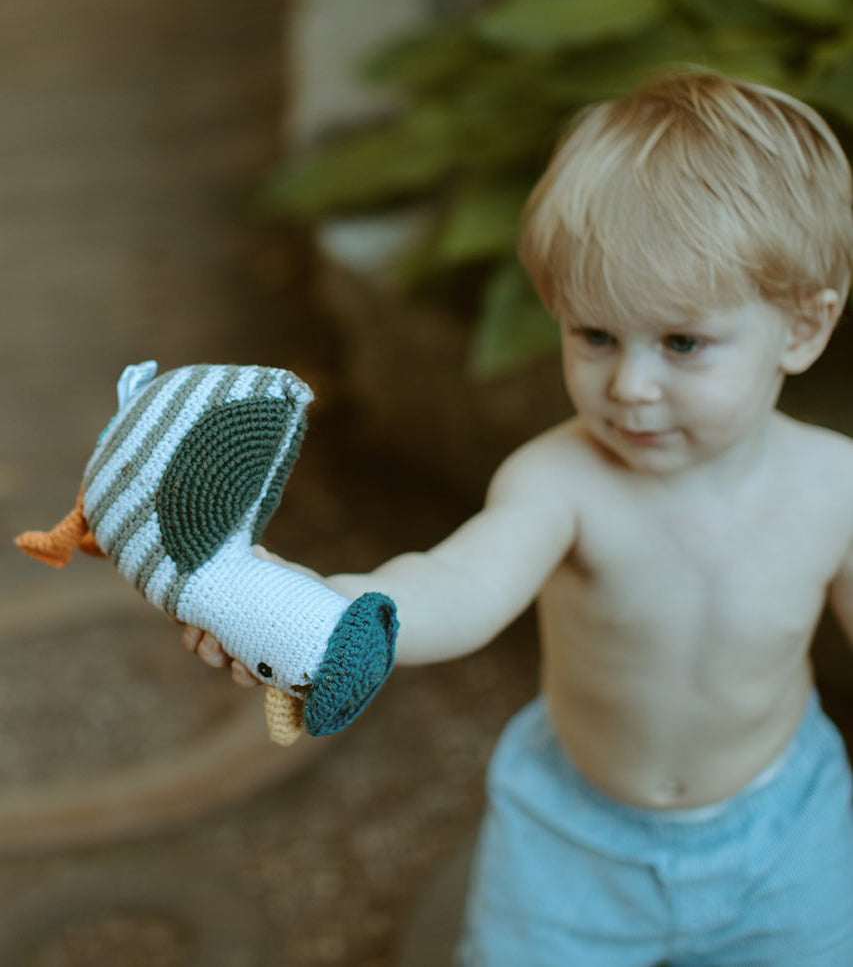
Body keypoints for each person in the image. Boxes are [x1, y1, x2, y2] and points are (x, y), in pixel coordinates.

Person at [182, 71, 853, 965]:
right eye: (595, 336)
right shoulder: (563, 479)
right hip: (574, 837)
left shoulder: (831, 487)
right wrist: (335, 614)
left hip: (782, 830)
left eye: (682, 343)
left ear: (802, 329)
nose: (629, 385)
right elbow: (461, 582)